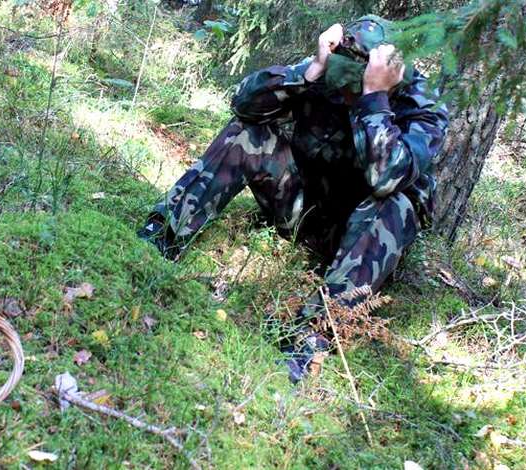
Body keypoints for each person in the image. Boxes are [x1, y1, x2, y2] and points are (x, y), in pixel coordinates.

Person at [137, 15, 450, 381]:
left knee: (395, 202)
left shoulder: (423, 108)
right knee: (246, 134)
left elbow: (386, 177)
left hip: (360, 244)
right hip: (302, 211)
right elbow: (244, 105)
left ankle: (309, 337)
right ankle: (162, 236)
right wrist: (313, 69)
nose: (345, 94)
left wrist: (374, 98)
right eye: (343, 82)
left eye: (353, 84)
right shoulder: (328, 73)